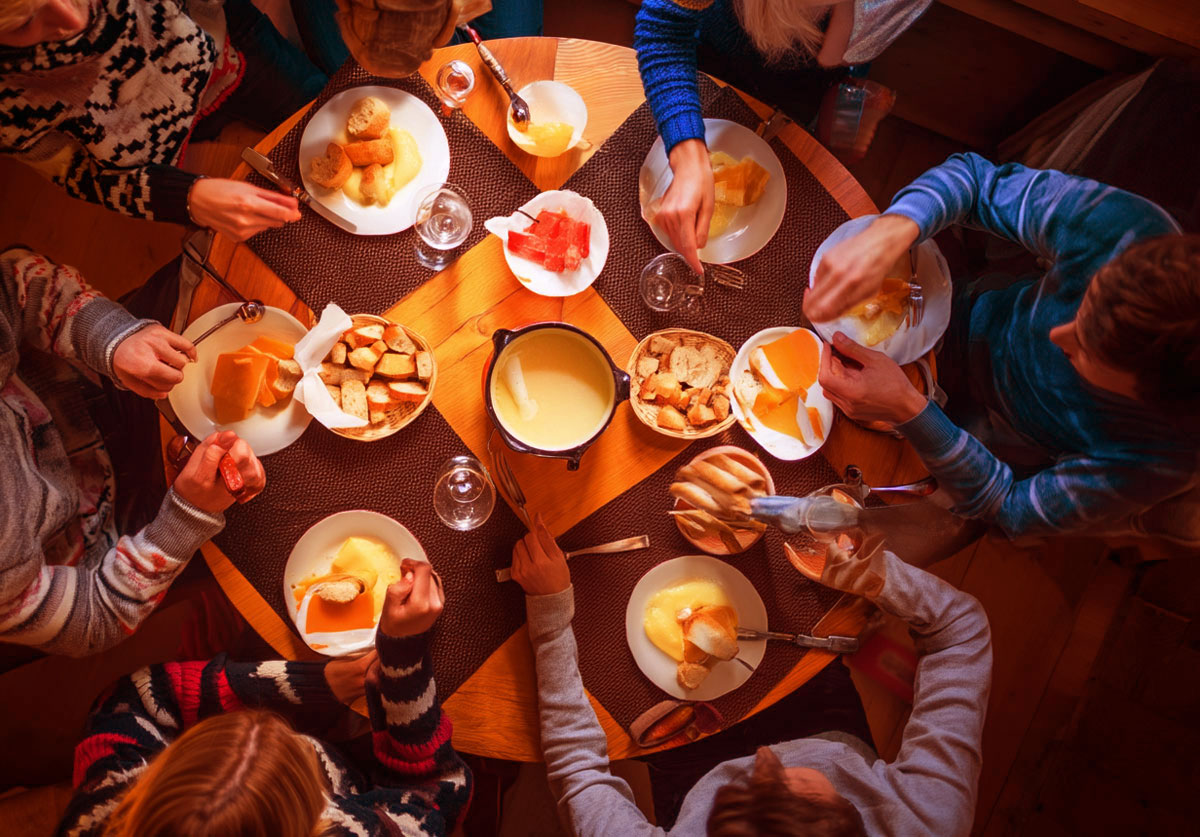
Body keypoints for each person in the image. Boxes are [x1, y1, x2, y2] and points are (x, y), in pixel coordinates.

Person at [806, 153, 1200, 543]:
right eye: (1082, 303)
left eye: (1084, 350)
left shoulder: (1157, 462)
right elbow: (975, 181)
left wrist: (911, 411)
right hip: (973, 311)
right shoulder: (1132, 233)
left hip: (991, 436)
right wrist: (893, 230)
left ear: (1143, 397)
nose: (1055, 335)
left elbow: (1008, 509)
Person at [510, 518, 991, 835]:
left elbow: (579, 776)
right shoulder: (929, 818)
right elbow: (960, 629)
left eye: (742, 788)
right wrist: (872, 577)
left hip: (688, 763)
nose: (762, 755)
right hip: (821, 715)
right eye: (790, 777)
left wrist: (551, 619)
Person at [56, 563, 473, 836]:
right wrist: (403, 664)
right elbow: (439, 794)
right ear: (314, 817)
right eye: (297, 752)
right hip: (376, 773)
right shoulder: (355, 831)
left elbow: (132, 698)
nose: (281, 726)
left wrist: (312, 685)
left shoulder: (106, 805)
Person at [1, 246, 266, 655]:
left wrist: (111, 338)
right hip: (114, 533)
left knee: (226, 278)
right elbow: (93, 618)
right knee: (263, 533)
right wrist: (186, 516)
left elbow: (14, 282)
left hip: (81, 372)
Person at [635, 0, 931, 273]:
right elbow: (664, 29)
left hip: (805, 89)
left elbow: (835, 58)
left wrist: (848, 84)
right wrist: (688, 156)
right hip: (711, 57)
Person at [0, 0, 327, 242]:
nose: (72, 21)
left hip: (230, 46)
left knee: (319, 105)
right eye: (24, 24)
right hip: (155, 151)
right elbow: (77, 173)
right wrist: (186, 197)